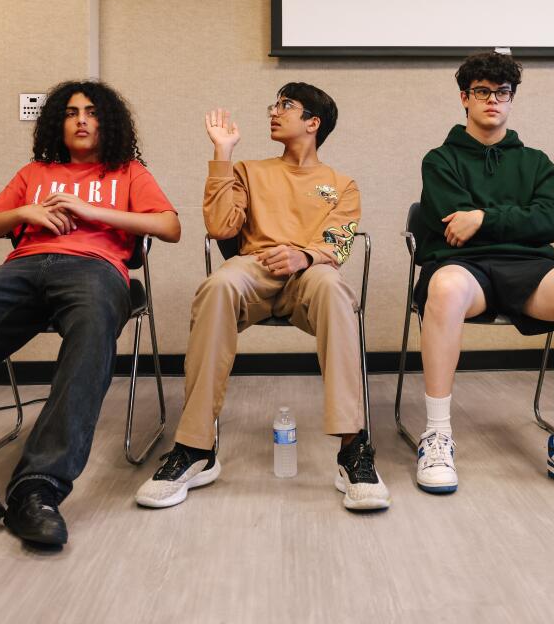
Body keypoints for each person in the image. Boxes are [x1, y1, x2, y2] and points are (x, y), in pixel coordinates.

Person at [0, 80, 180, 550]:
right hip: (26, 267)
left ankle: (39, 488)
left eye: (91, 112)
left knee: (92, 327)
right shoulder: (35, 171)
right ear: (58, 122)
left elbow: (169, 226)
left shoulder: (128, 172)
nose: (81, 120)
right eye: (71, 112)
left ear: (107, 121)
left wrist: (89, 210)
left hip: (97, 270)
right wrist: (25, 210)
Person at [135, 83, 390, 512]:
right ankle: (195, 448)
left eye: (285, 106)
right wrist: (222, 154)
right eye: (274, 104)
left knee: (333, 288)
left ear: (313, 122)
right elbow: (220, 227)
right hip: (254, 267)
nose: (274, 111)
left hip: (309, 272)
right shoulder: (249, 171)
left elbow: (339, 244)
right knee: (218, 285)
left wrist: (303, 255)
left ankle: (353, 449)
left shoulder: (340, 184)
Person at [409, 51, 554, 499]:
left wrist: (482, 218)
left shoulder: (537, 162)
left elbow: (552, 218)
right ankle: (438, 436)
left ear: (511, 100)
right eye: (482, 92)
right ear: (464, 98)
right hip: (462, 269)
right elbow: (453, 223)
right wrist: (522, 219)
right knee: (443, 287)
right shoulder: (439, 160)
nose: (493, 100)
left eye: (502, 93)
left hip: (529, 269)